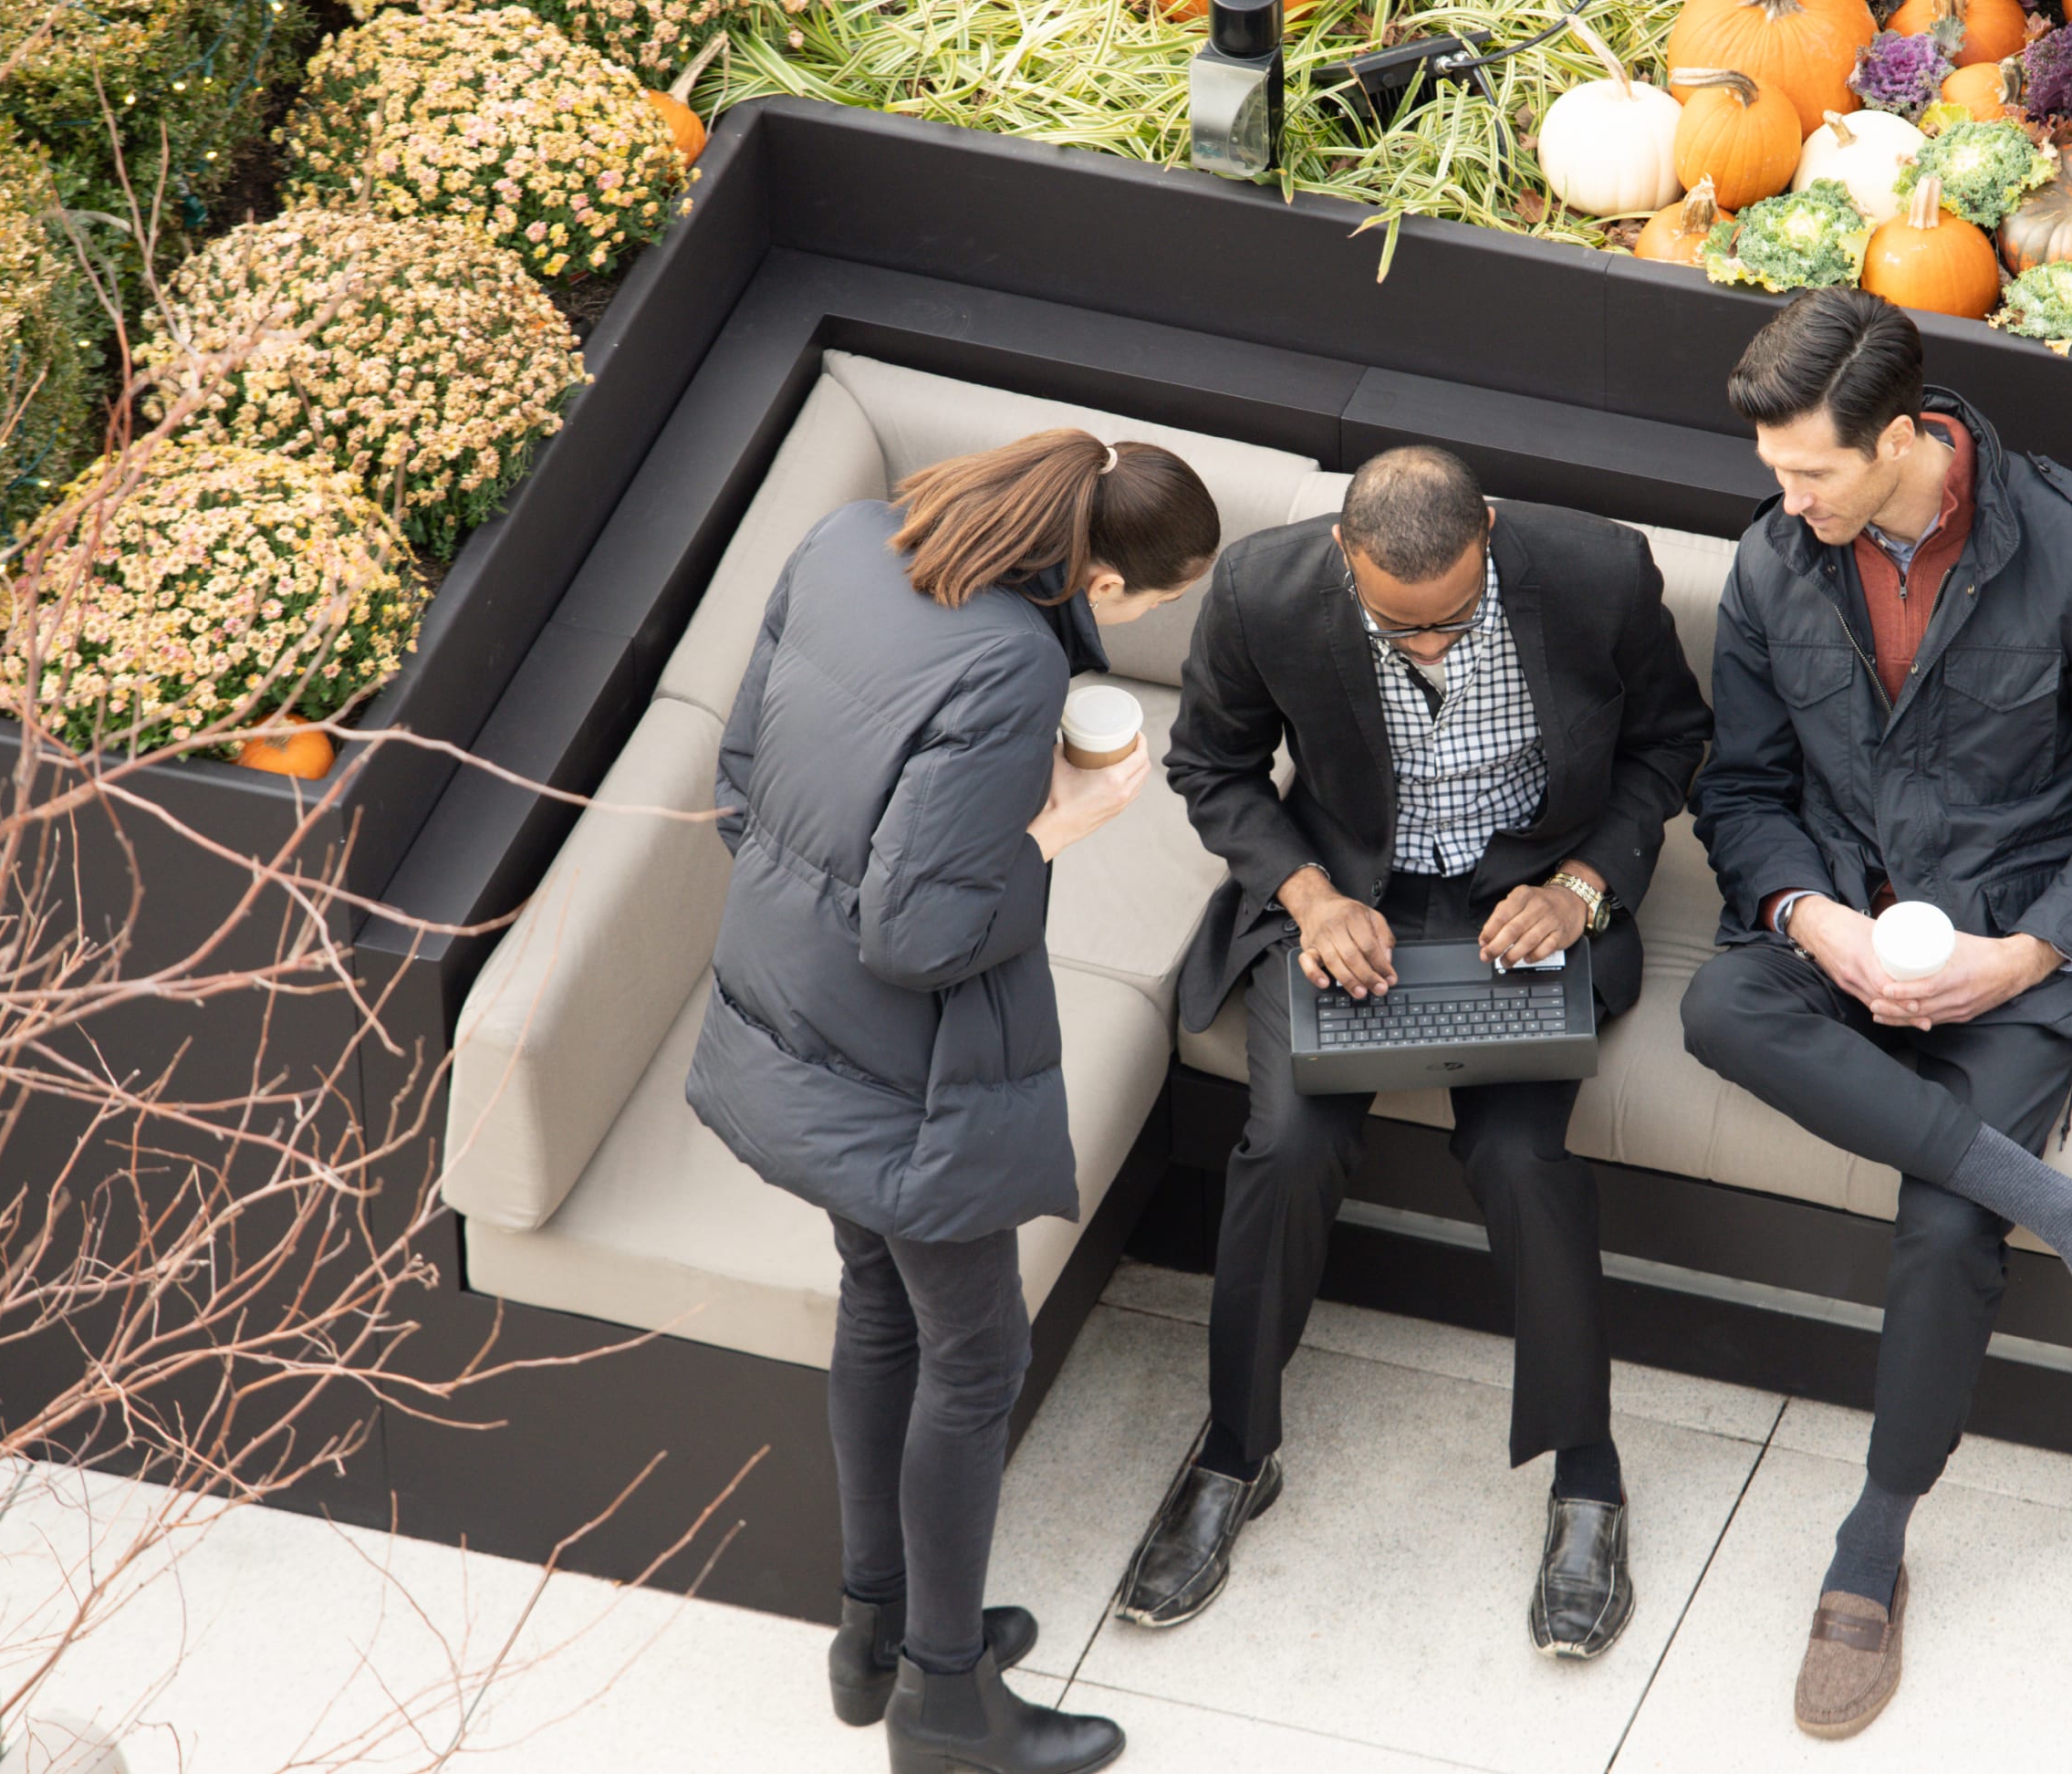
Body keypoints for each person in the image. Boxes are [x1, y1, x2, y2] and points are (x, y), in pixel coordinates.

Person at [1676, 289, 2072, 1740]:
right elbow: (1742, 794)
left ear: (1902, 437)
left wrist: (2018, 960)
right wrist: (1816, 922)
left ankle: (1872, 1543)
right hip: (1848, 923)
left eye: (1812, 473)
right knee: (1720, 1005)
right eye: (1777, 472)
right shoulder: (1776, 560)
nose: (1787, 499)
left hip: (2014, 952)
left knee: (1949, 1225)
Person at [685, 429, 1221, 1774]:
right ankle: (945, 1704)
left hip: (785, 1005)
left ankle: (875, 1635)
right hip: (906, 1073)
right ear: (1104, 581)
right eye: (1156, 600)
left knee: (881, 1300)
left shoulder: (847, 540)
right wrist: (1057, 828)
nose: (1144, 622)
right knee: (976, 1359)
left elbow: (739, 791)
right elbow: (922, 936)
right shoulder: (1013, 664)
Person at [1120, 446, 1710, 1658]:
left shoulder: (1599, 573)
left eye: (1453, 619)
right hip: (1350, 900)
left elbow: (1669, 745)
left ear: (1488, 532)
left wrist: (1582, 887)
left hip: (1527, 901)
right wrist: (1308, 897)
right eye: (1401, 628)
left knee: (1521, 1160)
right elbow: (1211, 766)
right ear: (1346, 556)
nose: (1430, 647)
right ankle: (1236, 1451)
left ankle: (1587, 1476)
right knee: (1286, 1146)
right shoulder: (1264, 589)